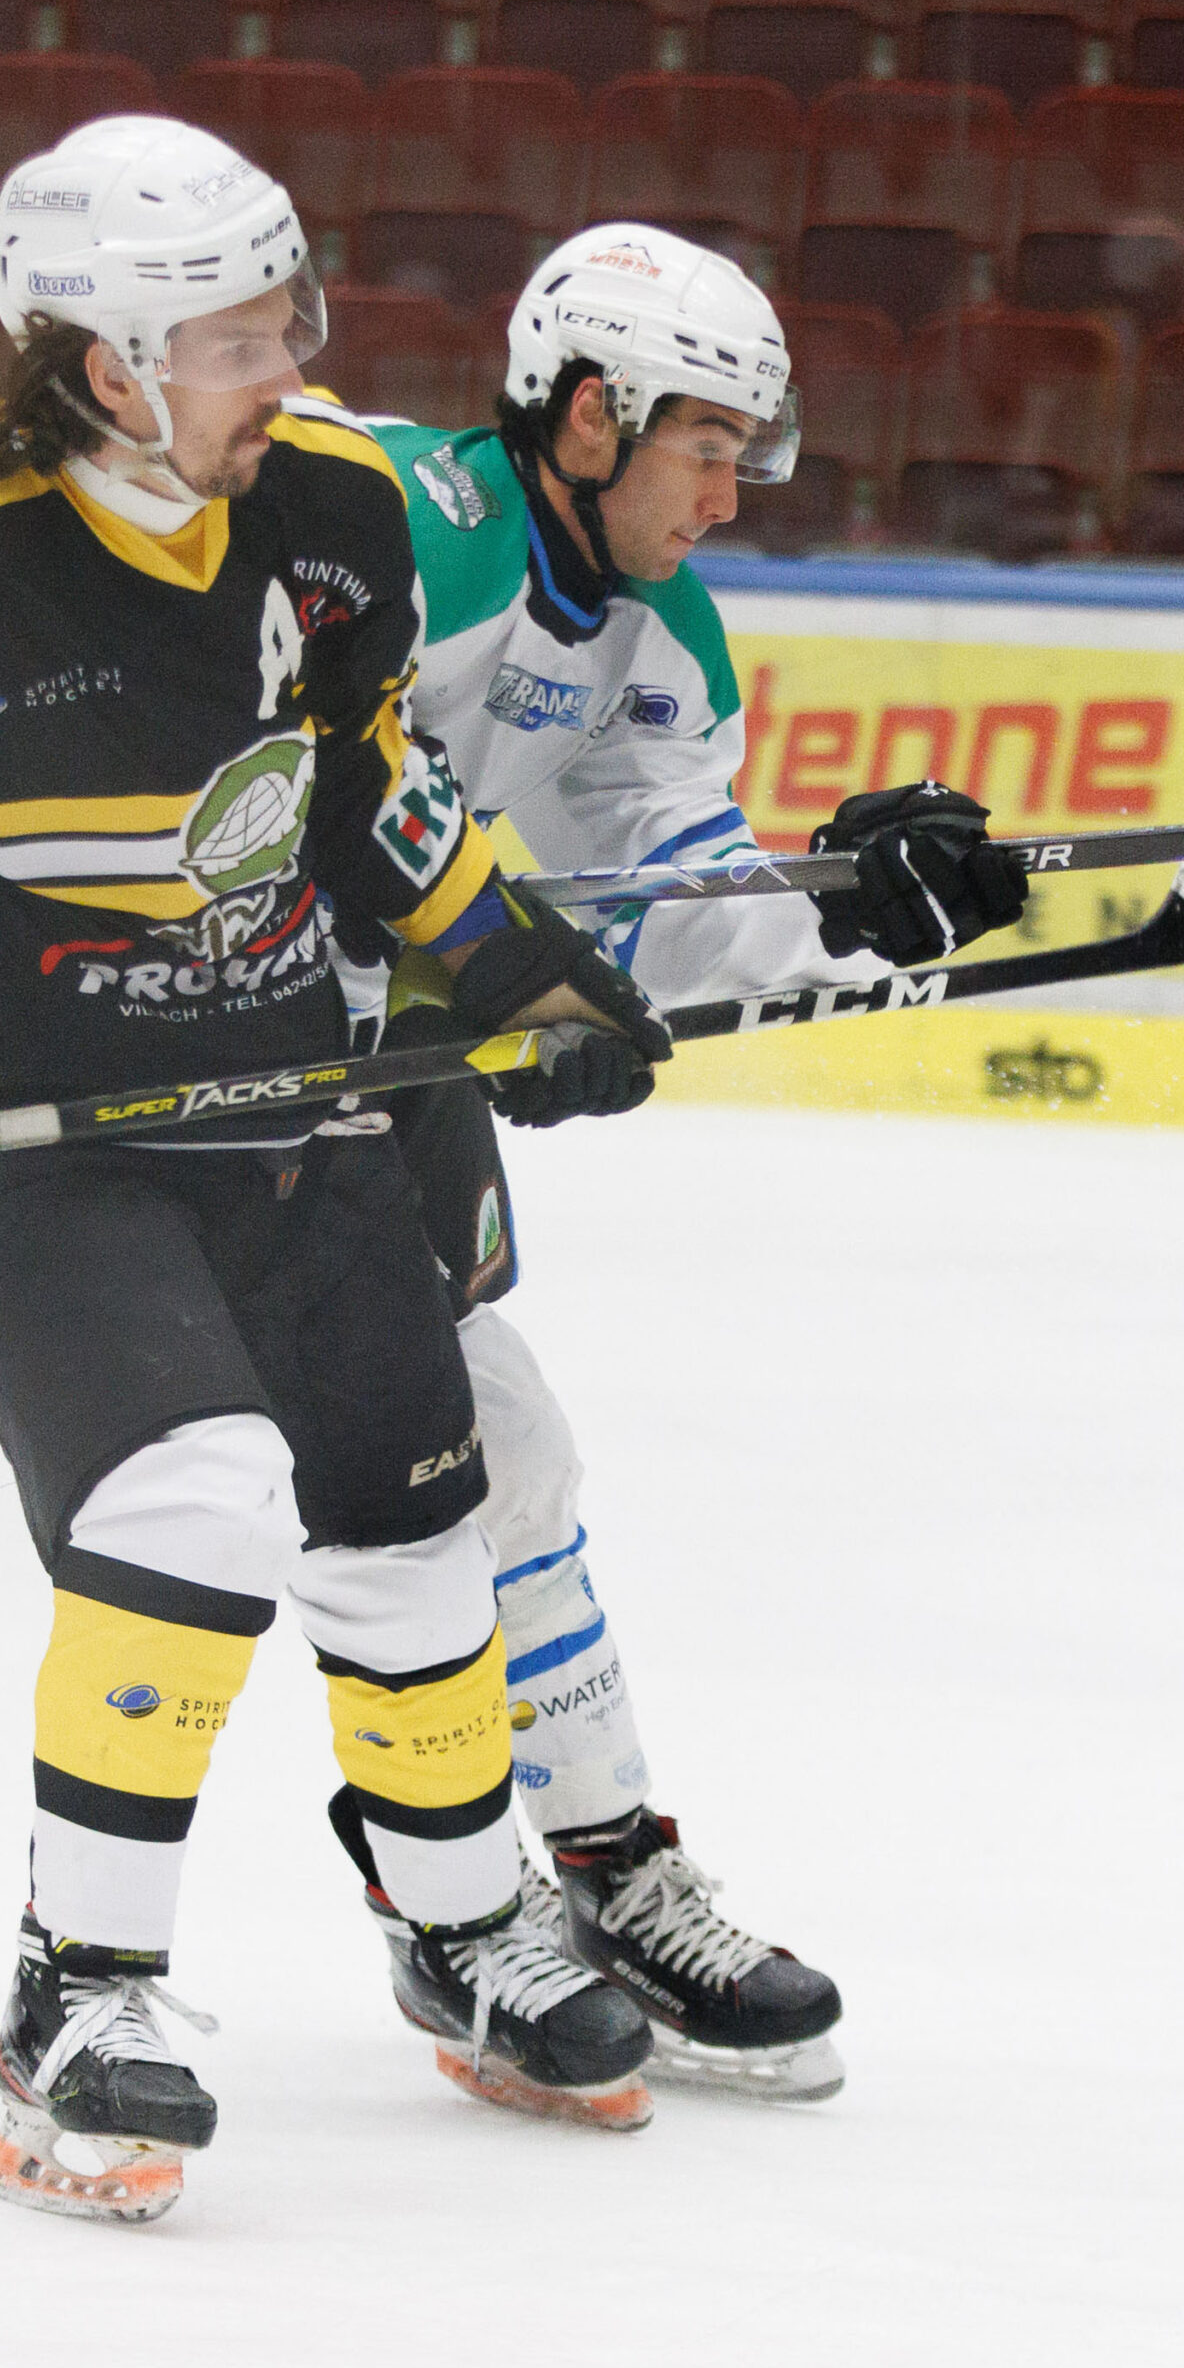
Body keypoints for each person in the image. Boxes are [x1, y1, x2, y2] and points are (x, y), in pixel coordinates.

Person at [0, 126, 678, 2222]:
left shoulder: (331, 497)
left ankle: (462, 1924)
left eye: (291, 317)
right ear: (104, 366)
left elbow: (360, 769)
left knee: (413, 1508)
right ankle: (77, 1991)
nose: (289, 366)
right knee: (191, 1495)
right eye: (236, 338)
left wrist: (509, 961)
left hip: (287, 1084)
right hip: (36, 1137)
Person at [302, 224, 1028, 2101]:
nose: (730, 494)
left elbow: (676, 903)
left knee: (496, 1462)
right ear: (589, 412)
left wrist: (856, 902)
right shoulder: (390, 517)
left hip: (394, 1079)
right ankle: (446, 1904)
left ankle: (589, 1874)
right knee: (327, 1500)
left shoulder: (664, 638)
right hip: (227, 1062)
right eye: (710, 445)